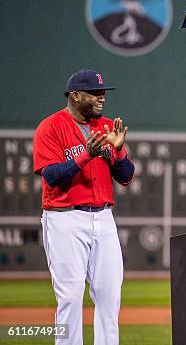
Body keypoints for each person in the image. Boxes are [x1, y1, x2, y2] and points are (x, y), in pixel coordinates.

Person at [33, 68, 135, 344]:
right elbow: (51, 176)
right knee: (70, 296)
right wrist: (85, 156)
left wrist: (120, 152)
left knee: (109, 294)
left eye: (103, 93)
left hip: (103, 218)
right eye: (95, 93)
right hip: (64, 218)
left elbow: (126, 177)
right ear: (75, 96)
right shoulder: (50, 127)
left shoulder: (106, 126)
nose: (102, 98)